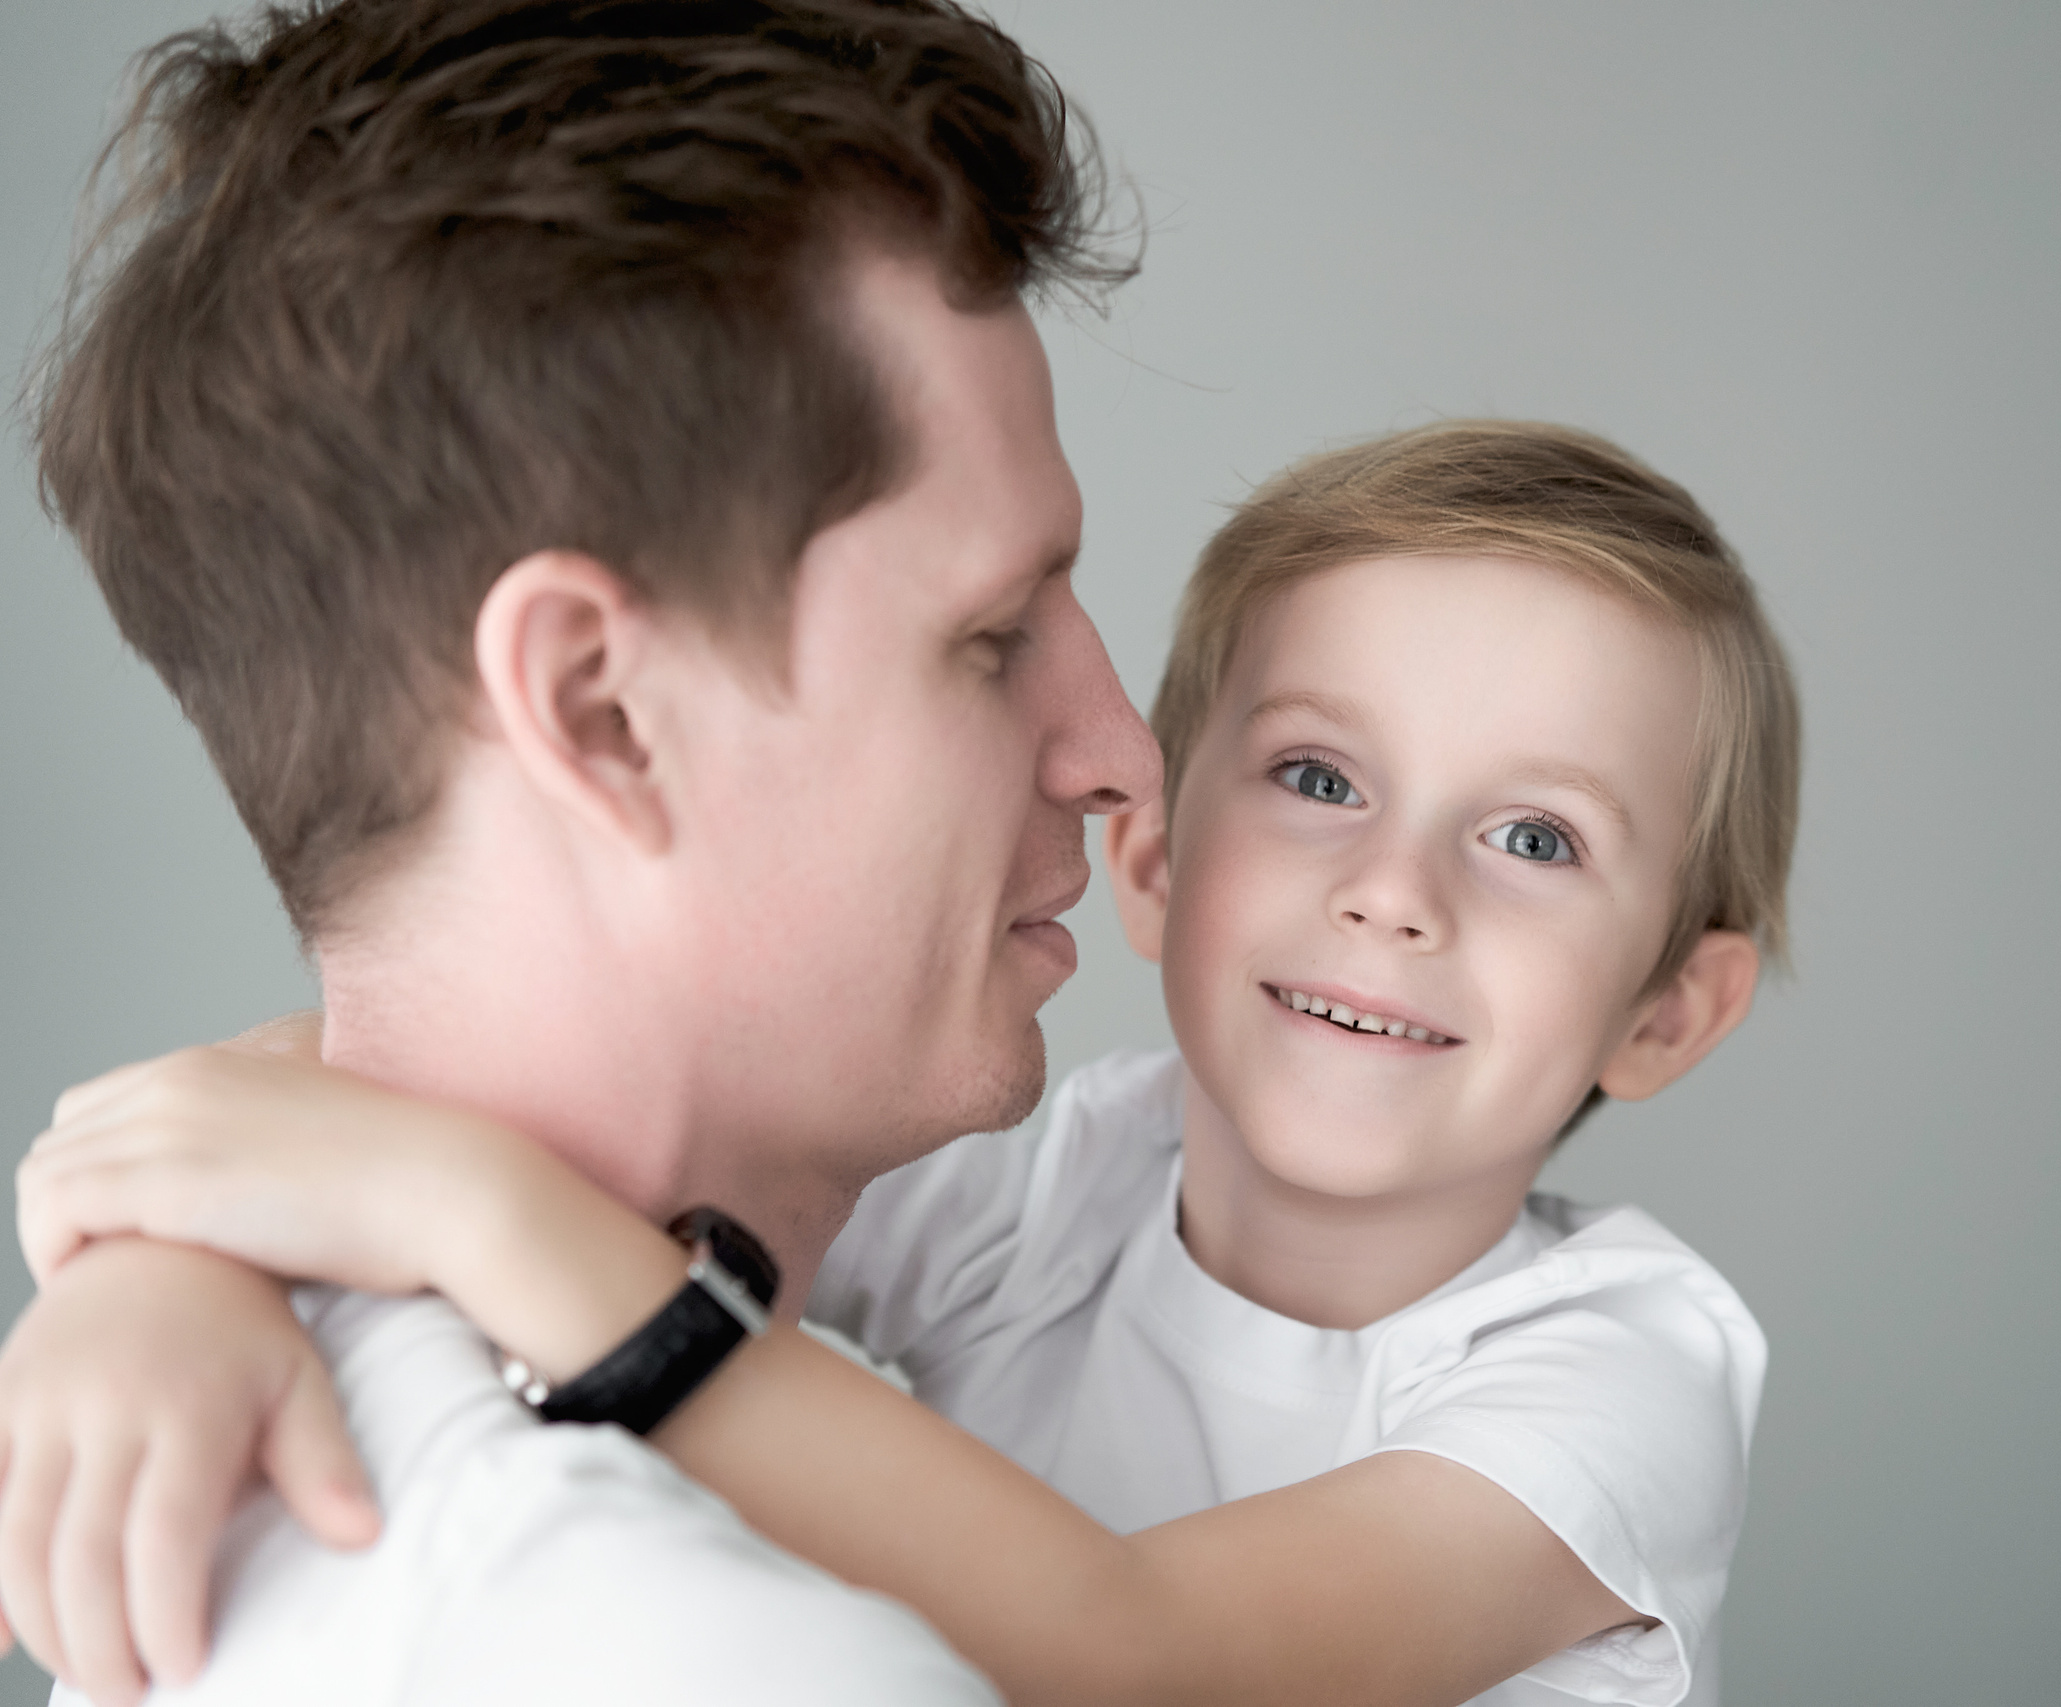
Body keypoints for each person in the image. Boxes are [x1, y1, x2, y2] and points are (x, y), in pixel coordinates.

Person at [8, 421, 1802, 1707]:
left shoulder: (1620, 1373)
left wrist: (462, 1211)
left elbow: (1136, 1651)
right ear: (1154, 857)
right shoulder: (1071, 1183)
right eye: (1319, 780)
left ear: (1669, 1011)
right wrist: (168, 1270)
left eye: (1537, 839)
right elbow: (429, 1096)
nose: (1394, 893)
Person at [0, 1, 1159, 1702]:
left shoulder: (288, 1450)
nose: (1124, 755)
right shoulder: (730, 1661)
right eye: (991, 638)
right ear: (601, 712)